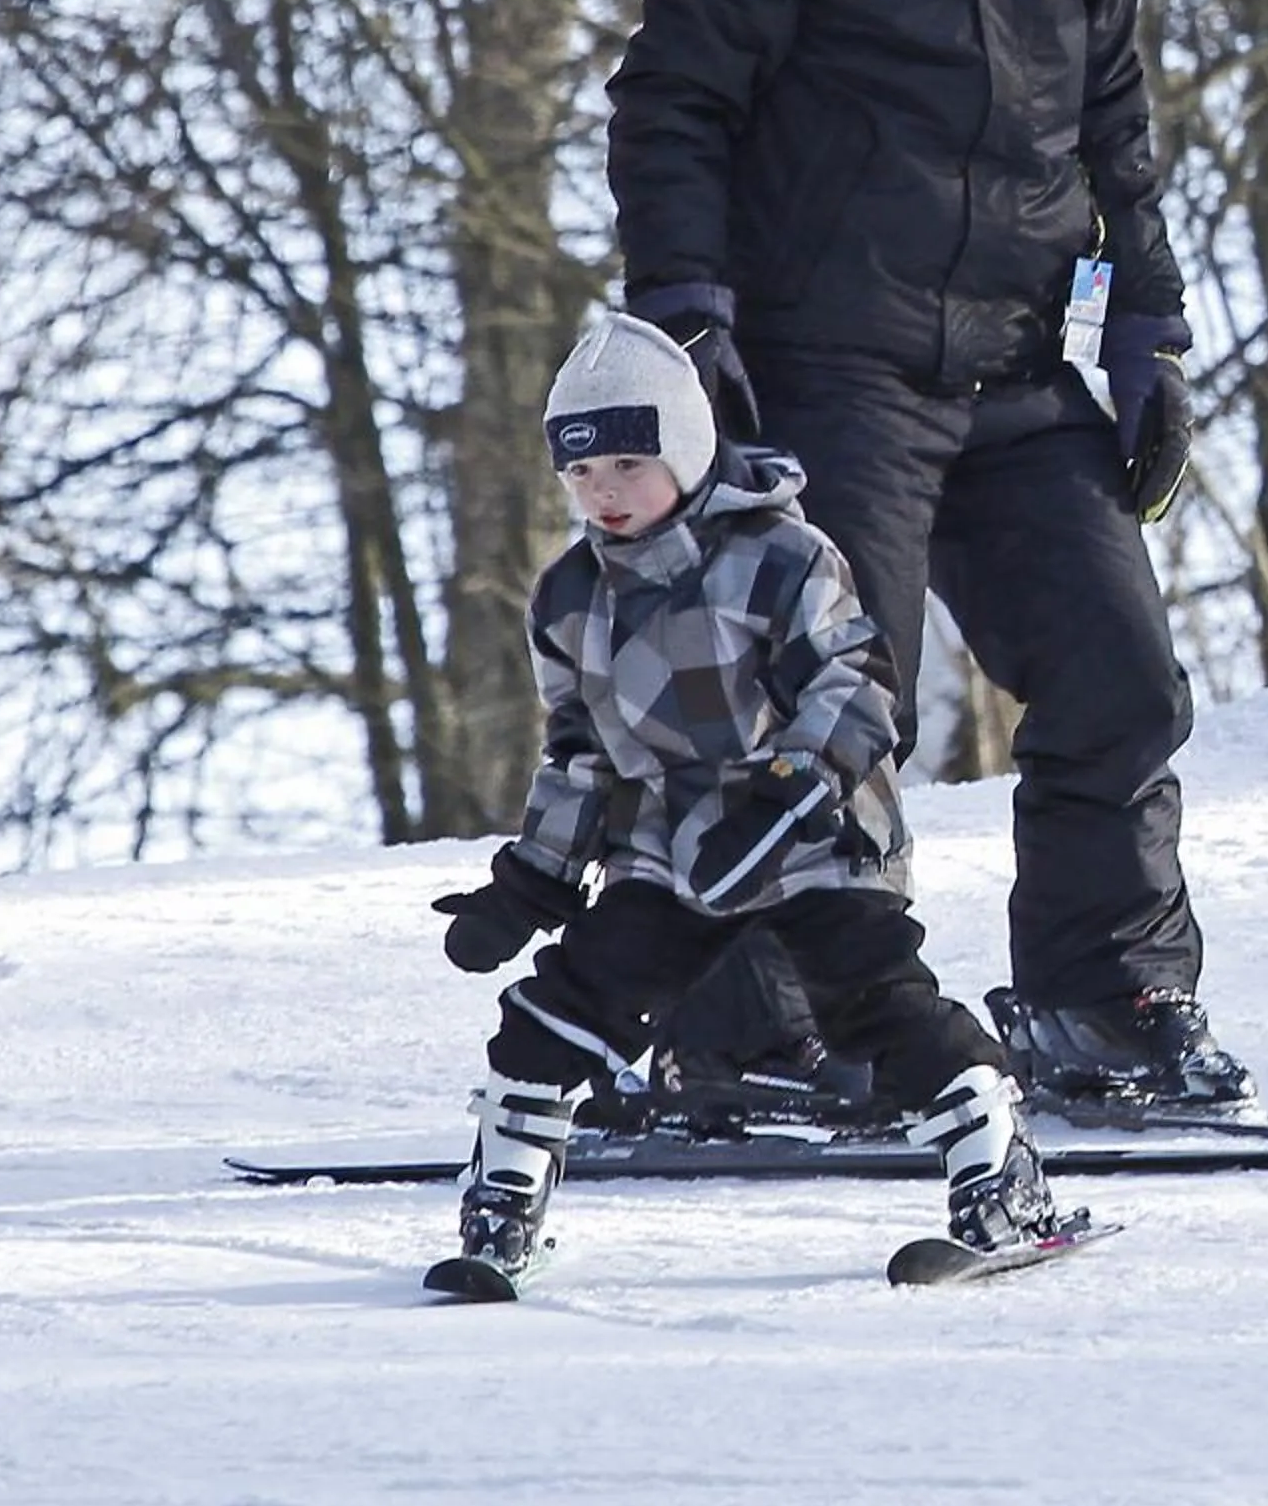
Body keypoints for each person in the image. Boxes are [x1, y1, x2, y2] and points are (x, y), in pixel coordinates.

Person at [605, 0, 1251, 1109]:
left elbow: (1117, 129)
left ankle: (1107, 1005)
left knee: (1119, 678)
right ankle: (762, 1032)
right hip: (832, 363)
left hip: (1021, 366)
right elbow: (670, 102)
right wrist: (687, 313)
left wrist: (1147, 330)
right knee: (834, 697)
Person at [429, 310, 1060, 1283]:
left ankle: (998, 1173)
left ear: (685, 451)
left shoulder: (781, 557)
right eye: (582, 474)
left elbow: (855, 688)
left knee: (871, 1008)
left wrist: (787, 792)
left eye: (629, 467)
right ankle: (503, 1210)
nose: (605, 494)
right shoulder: (568, 600)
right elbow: (581, 753)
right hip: (670, 857)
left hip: (813, 839)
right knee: (562, 1010)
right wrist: (531, 884)